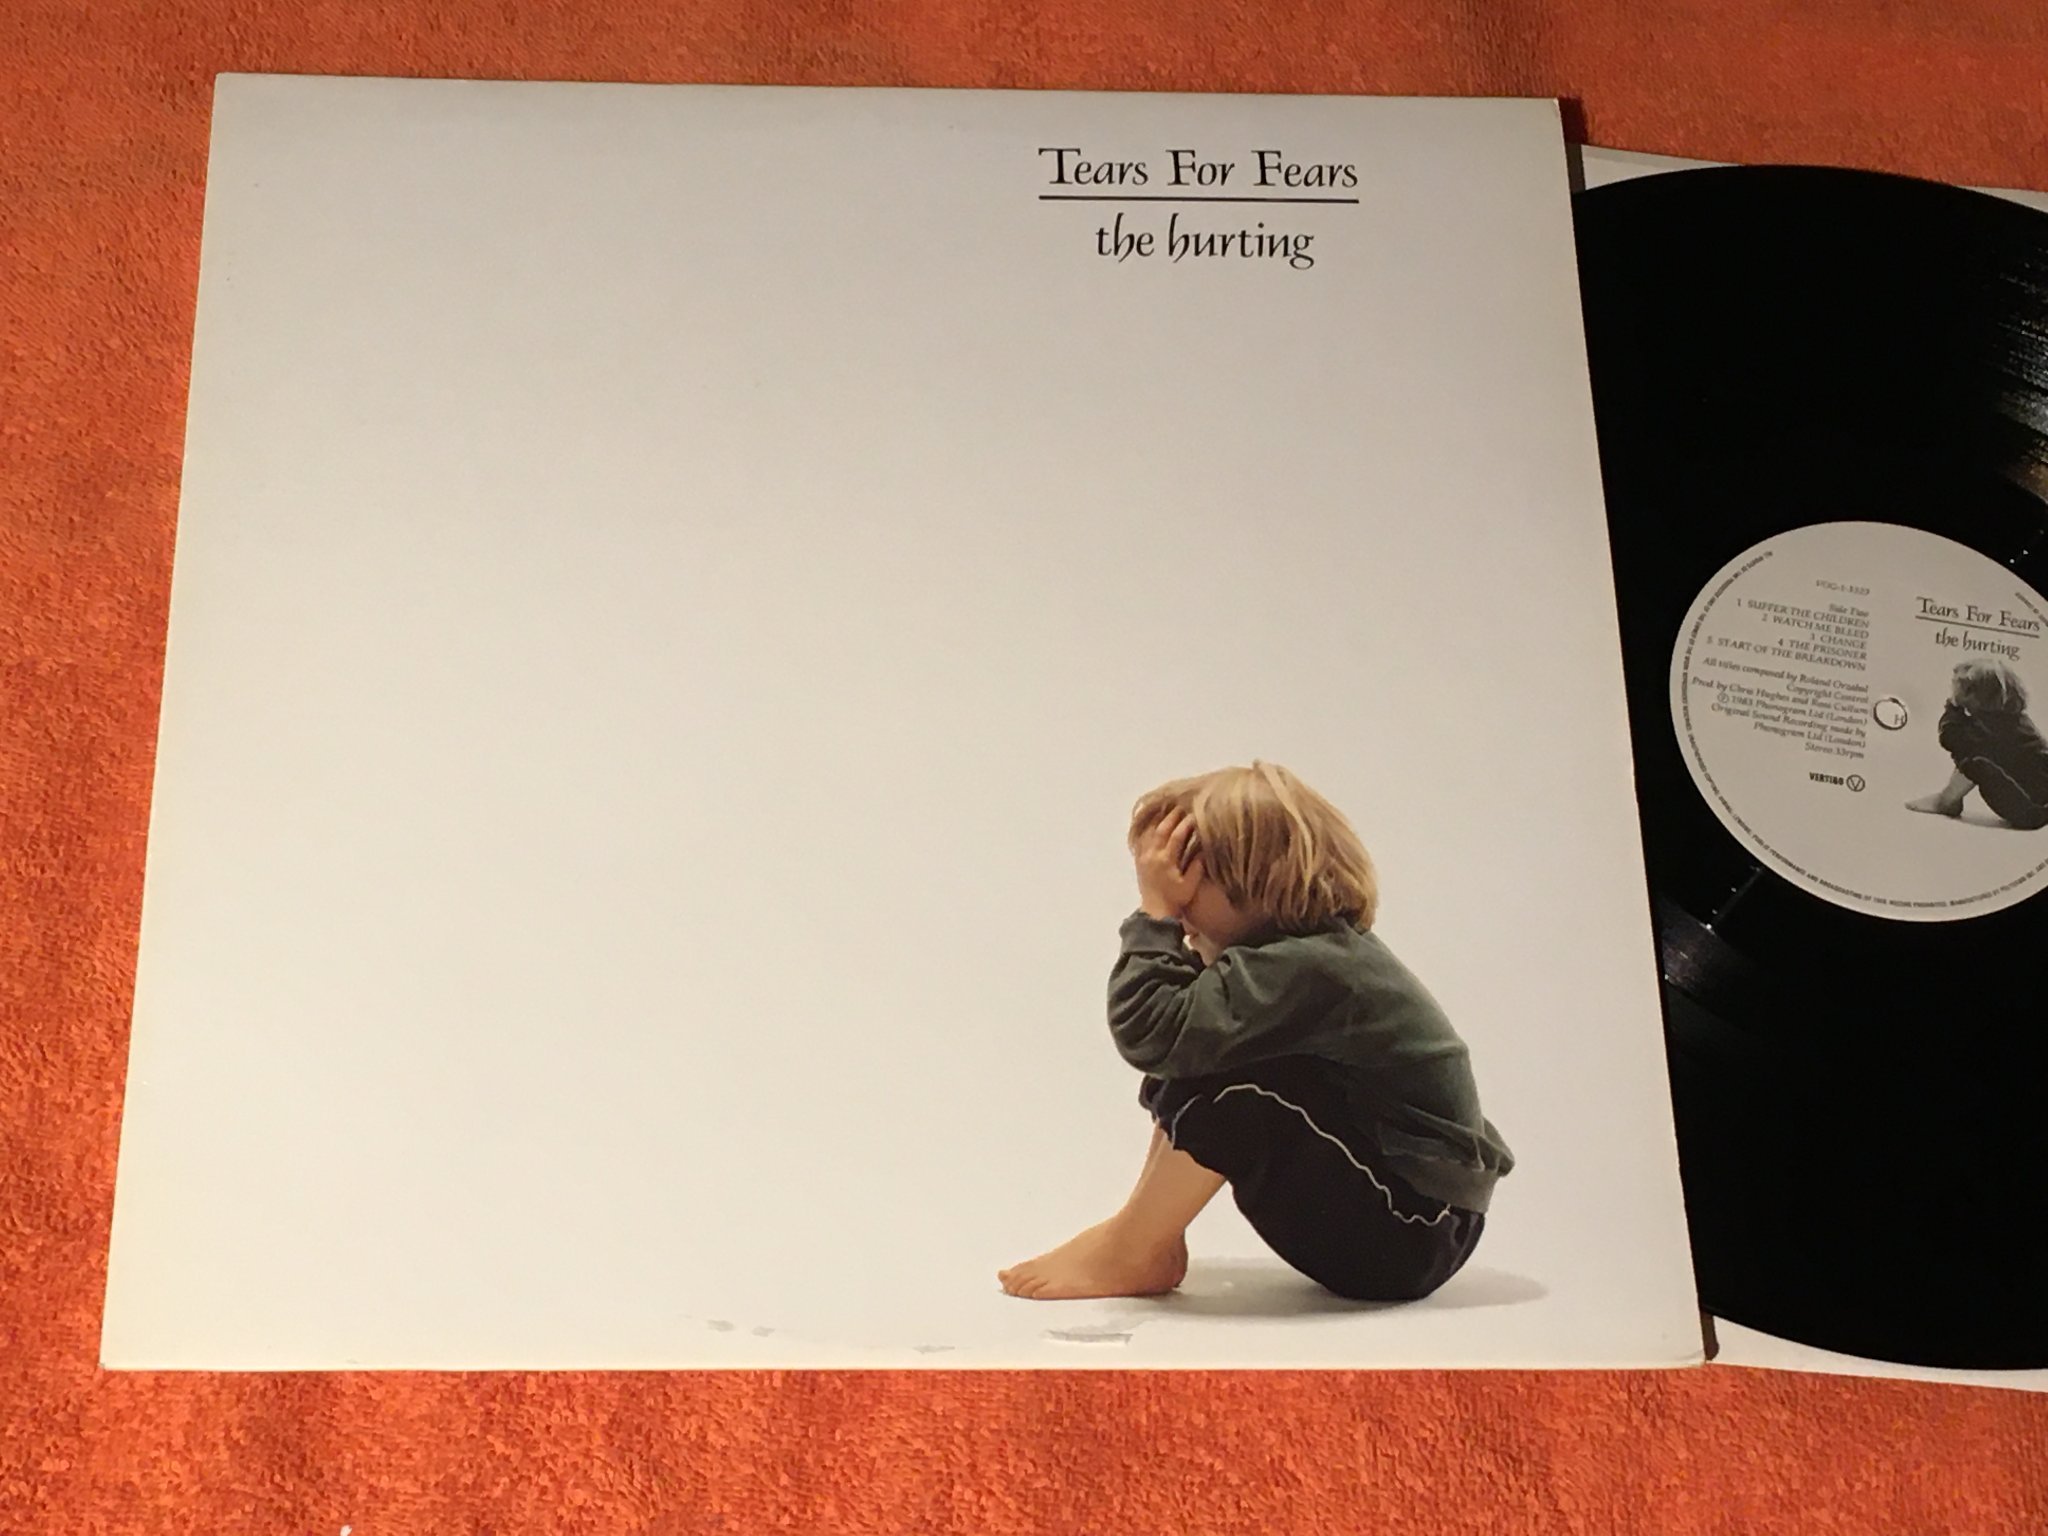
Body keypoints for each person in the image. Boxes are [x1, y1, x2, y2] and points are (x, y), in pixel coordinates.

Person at [998, 760, 1513, 1304]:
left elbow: (1149, 1029)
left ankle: (1135, 1247)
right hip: (1410, 1218)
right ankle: (1144, 1236)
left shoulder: (1311, 966)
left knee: (1231, 1088)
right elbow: (1173, 1040)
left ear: (1253, 879)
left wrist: (1156, 915)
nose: (1179, 905)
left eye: (1186, 880)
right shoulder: (1301, 959)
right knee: (1202, 1050)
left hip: (1411, 1232)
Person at [1906, 658, 2048, 831]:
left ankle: (1946, 801)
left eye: (1957, 688)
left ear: (1974, 695)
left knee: (1974, 760)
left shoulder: (1987, 727)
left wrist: (1953, 707)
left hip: (2030, 813)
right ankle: (1949, 798)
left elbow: (1949, 739)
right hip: (2040, 802)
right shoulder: (2015, 721)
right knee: (1975, 749)